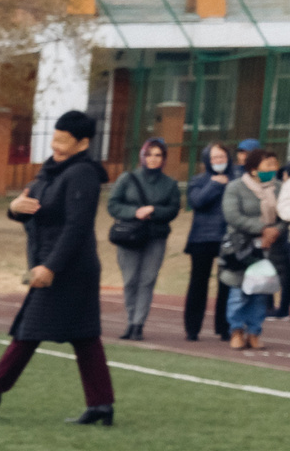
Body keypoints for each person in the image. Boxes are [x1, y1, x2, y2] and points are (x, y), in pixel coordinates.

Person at [0, 109, 113, 425]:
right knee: (84, 336)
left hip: (70, 270)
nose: (55, 145)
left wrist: (51, 267)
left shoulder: (83, 175)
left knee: (28, 331)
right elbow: (32, 207)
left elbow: (77, 227)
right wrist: (13, 209)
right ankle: (101, 405)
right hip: (51, 264)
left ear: (83, 143)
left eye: (63, 141)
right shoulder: (51, 171)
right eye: (54, 138)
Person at [106, 137, 180, 340]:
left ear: (163, 158)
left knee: (147, 280)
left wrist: (154, 210)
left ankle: (138, 324)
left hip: (155, 237)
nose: (153, 159)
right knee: (130, 279)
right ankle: (130, 320)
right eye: (149, 154)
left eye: (158, 155)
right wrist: (134, 211)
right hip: (129, 235)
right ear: (142, 156)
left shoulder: (170, 184)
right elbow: (112, 205)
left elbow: (173, 210)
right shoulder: (127, 179)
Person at [219, 148, 283, 350]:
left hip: (269, 248)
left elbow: (285, 215)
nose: (273, 168)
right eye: (268, 164)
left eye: (275, 164)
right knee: (239, 291)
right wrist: (262, 228)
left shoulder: (280, 188)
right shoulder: (236, 187)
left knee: (260, 291)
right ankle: (236, 331)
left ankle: (254, 332)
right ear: (254, 168)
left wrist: (274, 232)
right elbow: (232, 216)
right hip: (242, 247)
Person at [182, 141, 234, 341]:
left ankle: (224, 327)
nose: (219, 161)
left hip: (228, 238)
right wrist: (215, 184)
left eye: (222, 157)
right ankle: (192, 328)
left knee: (226, 283)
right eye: (214, 158)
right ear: (207, 160)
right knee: (198, 283)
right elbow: (197, 201)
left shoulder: (235, 179)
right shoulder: (198, 180)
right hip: (202, 238)